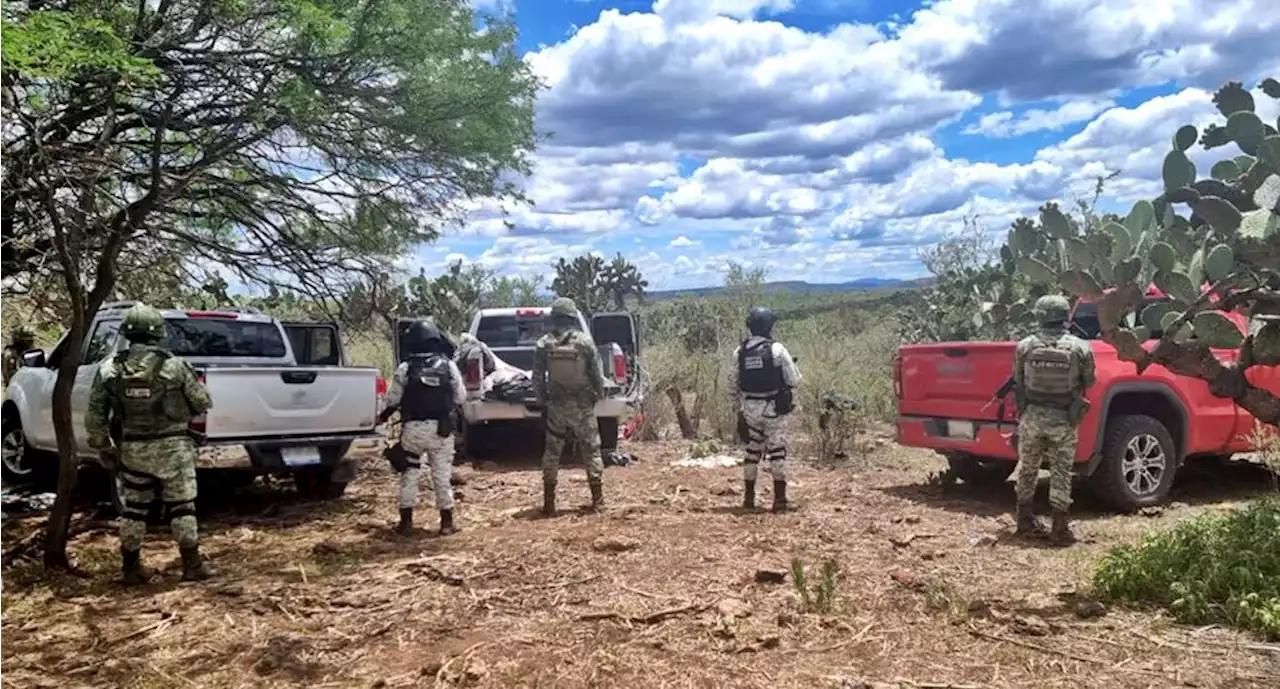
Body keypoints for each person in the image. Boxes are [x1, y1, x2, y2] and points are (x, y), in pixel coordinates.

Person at [85, 303, 214, 585]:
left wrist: (104, 448)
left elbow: (95, 416)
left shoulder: (110, 368)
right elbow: (203, 402)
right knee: (182, 508)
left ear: (127, 333)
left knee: (134, 509)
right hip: (173, 451)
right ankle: (192, 565)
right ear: (158, 333)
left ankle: (131, 569)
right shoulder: (174, 366)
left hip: (132, 449)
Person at [1012, 294, 1096, 546]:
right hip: (1063, 419)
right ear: (1065, 316)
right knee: (1061, 472)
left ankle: (1024, 520)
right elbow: (1090, 381)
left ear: (1039, 316)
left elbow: (1018, 380)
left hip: (1032, 417)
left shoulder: (1025, 346)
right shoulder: (1080, 347)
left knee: (1027, 469)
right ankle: (1059, 527)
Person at [378, 319, 466, 536]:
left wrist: (380, 419)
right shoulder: (448, 366)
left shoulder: (405, 368)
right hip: (441, 430)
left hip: (413, 430)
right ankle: (446, 523)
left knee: (410, 473)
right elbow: (461, 397)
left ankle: (406, 522)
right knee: (442, 475)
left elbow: (393, 400)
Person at [532, 297, 606, 516]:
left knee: (552, 452)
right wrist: (597, 397)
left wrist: (543, 400)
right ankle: (598, 500)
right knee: (591, 449)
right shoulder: (584, 343)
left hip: (557, 407)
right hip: (582, 406)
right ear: (573, 318)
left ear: (554, 319)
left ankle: (549, 503)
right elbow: (597, 375)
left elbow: (537, 378)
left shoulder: (544, 344)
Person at [728, 307, 802, 512]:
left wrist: (739, 412)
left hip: (749, 407)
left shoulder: (740, 352)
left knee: (752, 451)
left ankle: (749, 498)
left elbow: (732, 384)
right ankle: (779, 500)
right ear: (768, 325)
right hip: (773, 408)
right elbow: (793, 380)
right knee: (777, 452)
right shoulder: (777, 349)